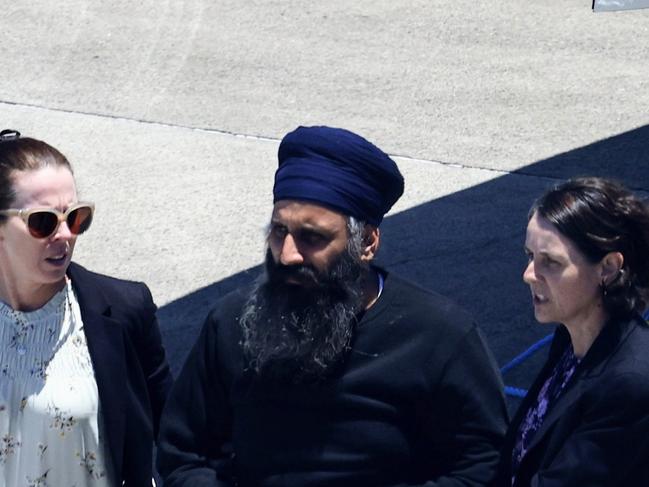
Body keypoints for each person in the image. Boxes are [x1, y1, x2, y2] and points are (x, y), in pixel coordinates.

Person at [157, 125, 508, 486]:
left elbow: (482, 468)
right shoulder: (233, 322)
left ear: (367, 243)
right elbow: (183, 454)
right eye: (279, 232)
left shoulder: (439, 336)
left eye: (313, 237)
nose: (288, 255)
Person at [0, 129, 173, 486]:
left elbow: (179, 435)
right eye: (43, 221)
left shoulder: (123, 310)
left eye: (75, 217)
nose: (64, 234)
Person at [493, 177, 649, 486]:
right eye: (529, 256)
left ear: (607, 267)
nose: (528, 275)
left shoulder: (631, 382)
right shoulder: (572, 338)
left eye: (550, 262)